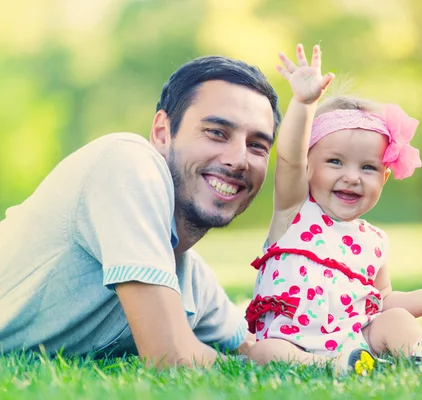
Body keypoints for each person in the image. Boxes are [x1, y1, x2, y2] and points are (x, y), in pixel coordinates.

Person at [0, 55, 282, 369]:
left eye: (257, 145)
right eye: (217, 132)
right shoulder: (125, 163)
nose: (239, 159)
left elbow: (250, 345)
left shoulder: (189, 276)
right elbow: (169, 356)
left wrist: (338, 360)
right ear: (162, 132)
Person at [245, 44, 422, 376]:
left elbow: (382, 300)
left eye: (367, 168)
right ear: (308, 165)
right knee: (264, 352)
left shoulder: (374, 242)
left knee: (395, 320)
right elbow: (288, 156)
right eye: (335, 161)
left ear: (384, 176)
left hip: (357, 337)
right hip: (292, 343)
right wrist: (303, 103)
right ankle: (330, 365)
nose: (351, 177)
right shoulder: (294, 212)